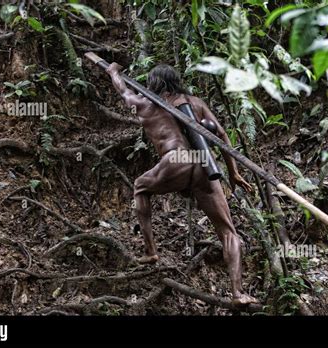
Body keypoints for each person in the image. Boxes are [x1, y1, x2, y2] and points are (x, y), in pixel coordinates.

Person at [106, 63, 257, 305]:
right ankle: (238, 293)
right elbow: (221, 135)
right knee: (229, 233)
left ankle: (151, 251)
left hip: (177, 160)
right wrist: (233, 172)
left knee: (140, 186)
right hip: (204, 165)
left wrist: (113, 72)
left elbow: (124, 93)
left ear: (154, 84)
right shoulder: (194, 103)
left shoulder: (147, 105)